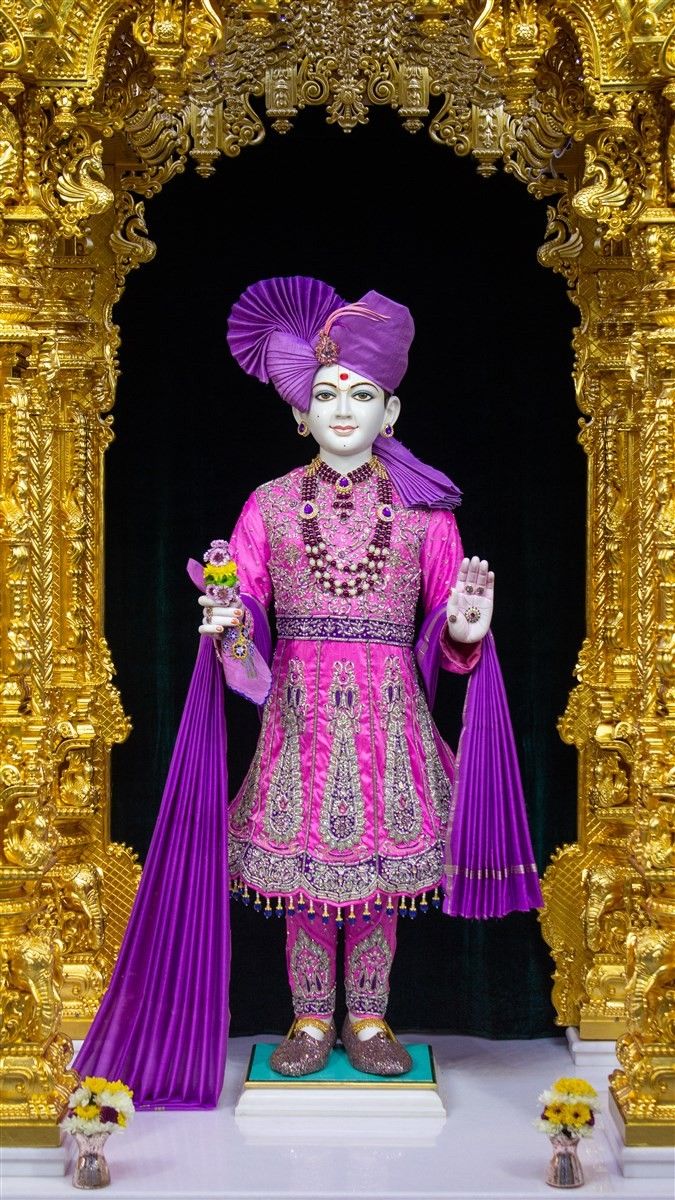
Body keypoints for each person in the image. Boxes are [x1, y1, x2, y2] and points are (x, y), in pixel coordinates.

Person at [194, 276, 540, 1077]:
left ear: (390, 413)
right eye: (324, 394)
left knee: (379, 874)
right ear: (299, 412)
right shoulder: (270, 504)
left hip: (389, 711)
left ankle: (370, 1017)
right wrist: (227, 620)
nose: (342, 409)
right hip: (300, 708)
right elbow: (242, 596)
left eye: (362, 394)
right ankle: (311, 1020)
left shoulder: (427, 511)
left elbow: (448, 619)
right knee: (308, 872)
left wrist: (463, 630)